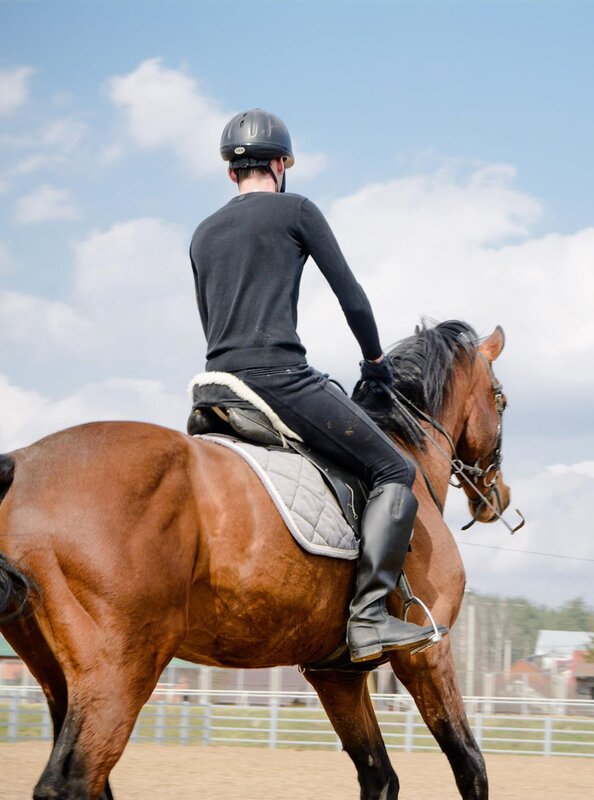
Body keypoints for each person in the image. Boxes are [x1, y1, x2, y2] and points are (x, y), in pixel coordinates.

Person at [189, 109, 444, 663]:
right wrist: (375, 360)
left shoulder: (202, 233)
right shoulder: (297, 210)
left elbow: (212, 318)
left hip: (215, 387)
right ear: (281, 164)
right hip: (278, 378)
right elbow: (351, 297)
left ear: (231, 172)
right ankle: (369, 617)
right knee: (395, 470)